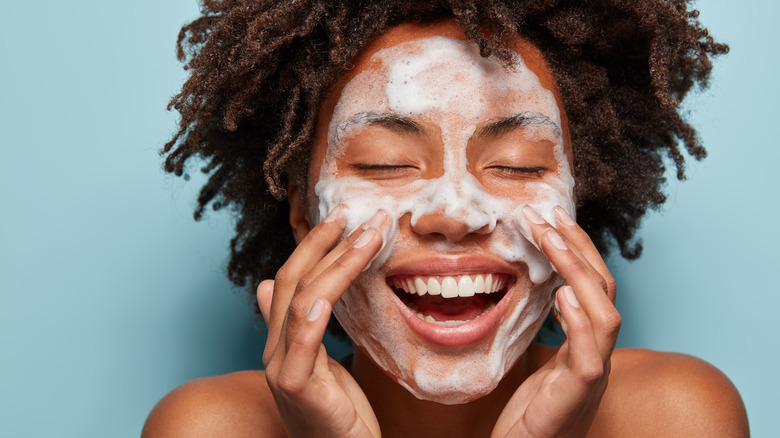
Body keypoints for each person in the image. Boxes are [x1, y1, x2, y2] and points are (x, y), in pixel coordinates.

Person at [143, 1, 748, 436]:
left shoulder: (676, 417)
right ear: (304, 215)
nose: (454, 214)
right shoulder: (207, 428)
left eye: (517, 166)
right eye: (385, 164)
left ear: (573, 208)